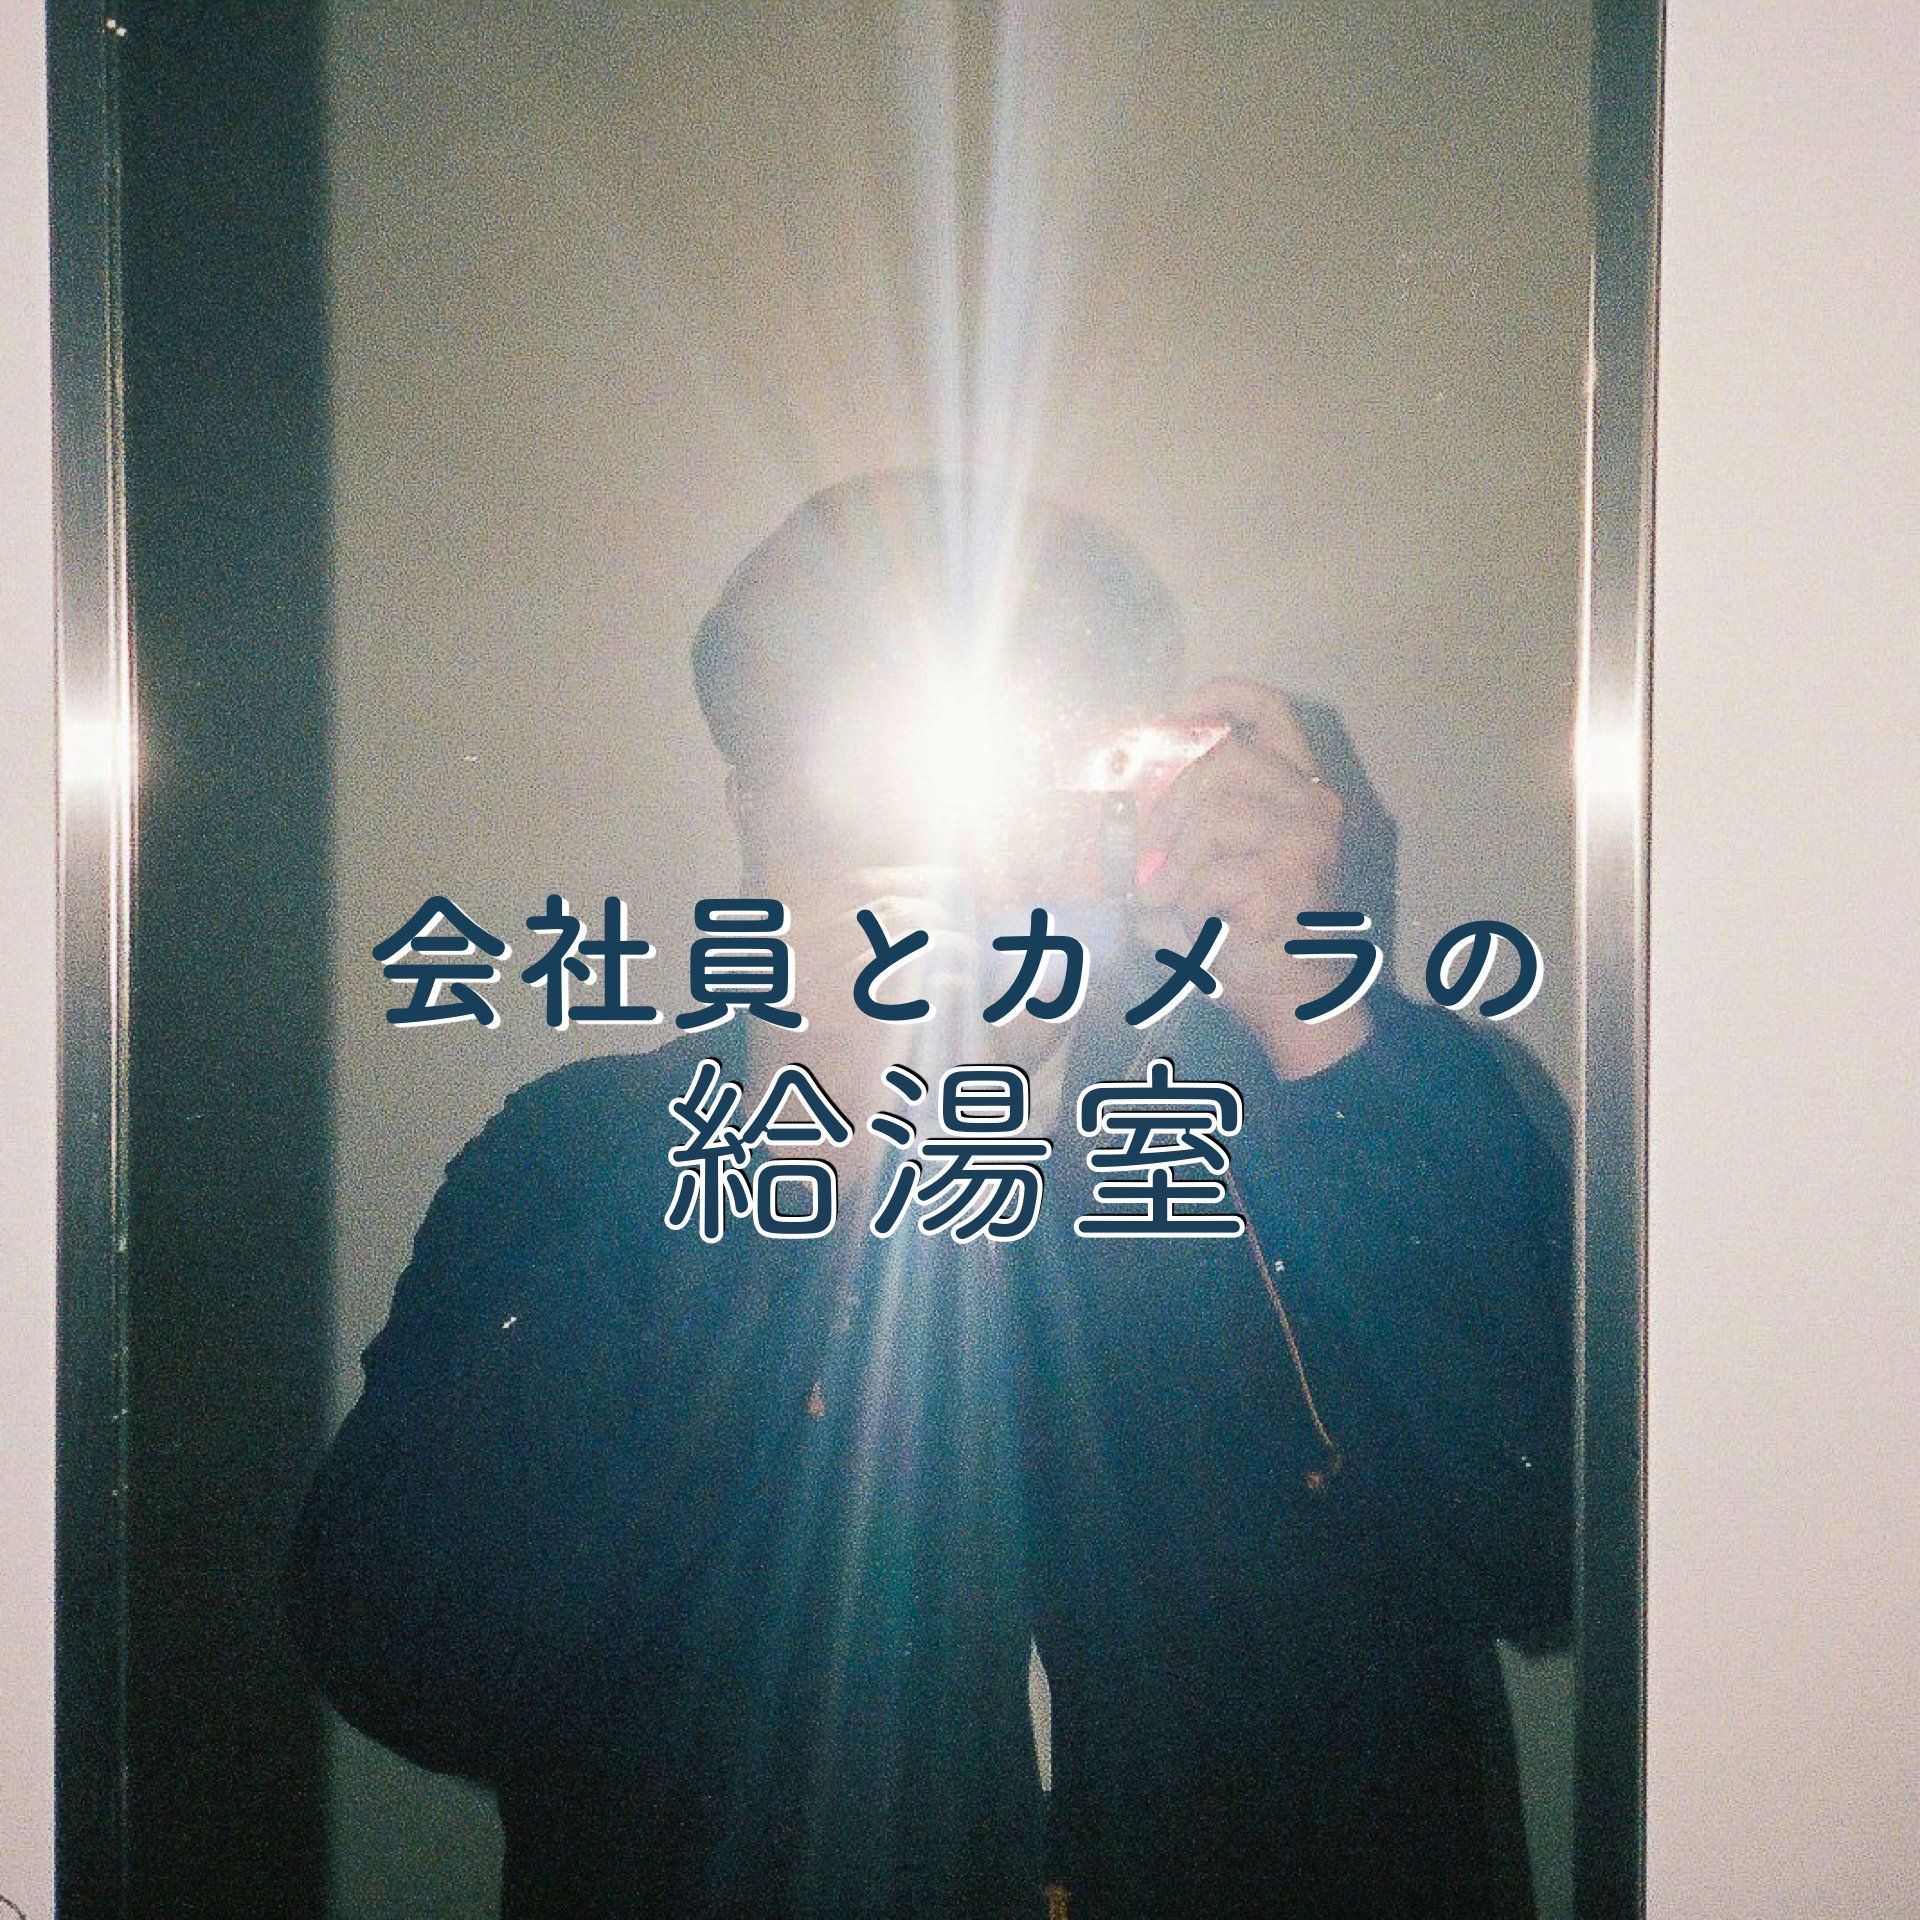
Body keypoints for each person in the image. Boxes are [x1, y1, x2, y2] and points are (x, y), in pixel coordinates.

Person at [285, 470, 1572, 1918]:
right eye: (865, 758)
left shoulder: (1297, 1106)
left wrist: (1318, 1017)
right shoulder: (591, 1159)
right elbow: (410, 1658)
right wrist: (815, 1150)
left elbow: (1548, 1543)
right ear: (753, 814)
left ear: (1115, 781)